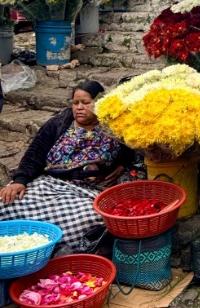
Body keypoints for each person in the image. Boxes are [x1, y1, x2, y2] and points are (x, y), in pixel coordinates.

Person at [0, 81, 134, 251]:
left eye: (86, 103)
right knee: (7, 204)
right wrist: (20, 181)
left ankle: (55, 251)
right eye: (75, 103)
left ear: (99, 103)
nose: (79, 107)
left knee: (90, 219)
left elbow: (133, 151)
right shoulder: (59, 124)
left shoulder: (113, 128)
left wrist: (122, 165)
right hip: (48, 184)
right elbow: (35, 154)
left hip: (86, 192)